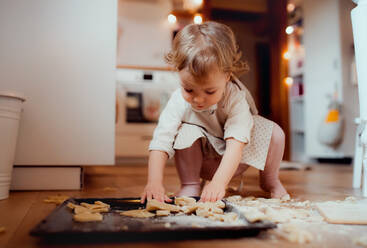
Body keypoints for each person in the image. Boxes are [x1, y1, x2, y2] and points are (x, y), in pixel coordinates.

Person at [140, 21, 288, 203]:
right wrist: (154, 182)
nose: (198, 99)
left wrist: (219, 182)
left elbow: (235, 145)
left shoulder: (235, 98)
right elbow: (161, 141)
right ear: (179, 73)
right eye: (189, 90)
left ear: (227, 77)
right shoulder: (178, 101)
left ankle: (270, 180)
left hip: (234, 160)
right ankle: (190, 183)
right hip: (202, 162)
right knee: (186, 129)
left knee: (276, 134)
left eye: (209, 91)